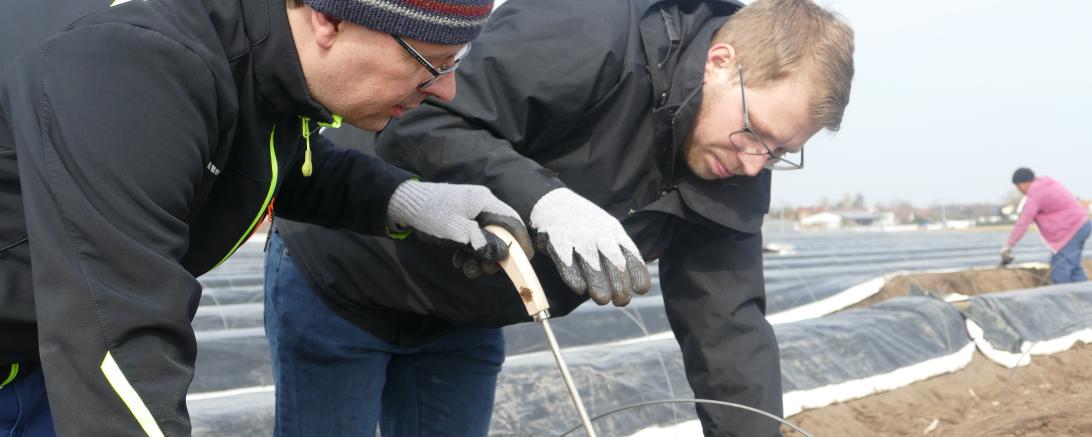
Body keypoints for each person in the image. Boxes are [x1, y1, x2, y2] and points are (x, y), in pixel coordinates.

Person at [268, 0, 855, 435]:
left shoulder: (736, 159)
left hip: (462, 318)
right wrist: (544, 200)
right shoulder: (591, 31)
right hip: (345, 278)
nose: (758, 164)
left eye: (781, 152)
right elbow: (422, 123)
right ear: (722, 63)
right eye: (757, 135)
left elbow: (726, 321)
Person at [0, 0, 533, 434]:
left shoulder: (262, 70)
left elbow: (280, 165)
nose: (446, 89)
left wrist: (408, 201)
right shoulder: (137, 69)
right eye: (433, 62)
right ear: (330, 19)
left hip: (46, 361)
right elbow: (115, 329)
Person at [1002, 168, 1090, 283]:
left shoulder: (1036, 194)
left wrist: (1009, 245)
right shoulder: (1046, 185)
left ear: (1025, 183)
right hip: (1081, 225)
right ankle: (1084, 295)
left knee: (1060, 270)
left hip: (1072, 230)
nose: (1018, 189)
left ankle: (1064, 297)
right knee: (1074, 267)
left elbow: (1023, 222)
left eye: (1018, 185)